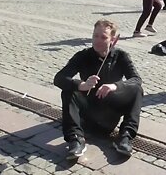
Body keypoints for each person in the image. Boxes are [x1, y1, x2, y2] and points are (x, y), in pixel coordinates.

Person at [54, 19, 143, 159]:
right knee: (68, 90)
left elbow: (136, 79)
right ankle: (75, 139)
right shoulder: (83, 55)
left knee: (137, 90)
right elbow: (59, 78)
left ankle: (125, 137)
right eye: (95, 36)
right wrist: (81, 85)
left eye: (103, 37)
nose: (98, 40)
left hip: (110, 114)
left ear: (113, 40)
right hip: (89, 114)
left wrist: (115, 86)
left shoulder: (121, 56)